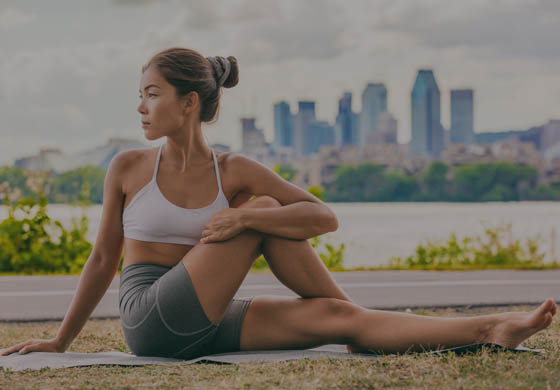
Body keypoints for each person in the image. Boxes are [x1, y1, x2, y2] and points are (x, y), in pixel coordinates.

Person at [2, 48, 557, 359]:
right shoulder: (127, 166)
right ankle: (362, 323)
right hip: (151, 317)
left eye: (153, 94)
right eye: (141, 94)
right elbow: (103, 259)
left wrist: (246, 214)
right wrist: (60, 341)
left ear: (189, 103)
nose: (141, 107)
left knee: (327, 304)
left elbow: (324, 217)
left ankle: (488, 328)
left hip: (207, 320)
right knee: (266, 207)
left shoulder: (233, 170)